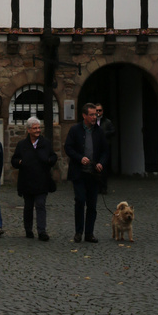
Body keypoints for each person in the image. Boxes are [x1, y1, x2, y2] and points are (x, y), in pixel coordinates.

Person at [64, 101, 108, 243]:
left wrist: (101, 162)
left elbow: (105, 151)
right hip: (79, 172)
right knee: (80, 200)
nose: (94, 117)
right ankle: (78, 232)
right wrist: (79, 158)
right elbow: (68, 148)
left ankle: (89, 233)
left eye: (95, 114)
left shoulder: (99, 132)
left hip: (93, 174)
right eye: (91, 115)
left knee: (92, 204)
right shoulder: (75, 130)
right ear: (84, 116)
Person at [11, 115, 58, 241]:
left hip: (42, 180)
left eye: (39, 128)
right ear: (29, 130)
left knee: (41, 205)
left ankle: (41, 231)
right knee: (28, 206)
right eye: (35, 128)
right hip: (27, 181)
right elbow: (14, 160)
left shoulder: (45, 143)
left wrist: (49, 160)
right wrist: (20, 162)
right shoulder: (22, 145)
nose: (37, 130)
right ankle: (28, 229)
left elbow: (54, 157)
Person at [95, 102, 115, 193]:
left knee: (103, 168)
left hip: (104, 146)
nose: (98, 112)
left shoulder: (107, 122)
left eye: (100, 110)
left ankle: (103, 187)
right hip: (95, 147)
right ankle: (96, 187)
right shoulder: (93, 121)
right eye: (97, 110)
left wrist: (104, 134)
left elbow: (113, 131)